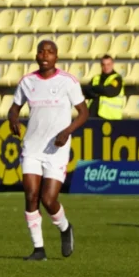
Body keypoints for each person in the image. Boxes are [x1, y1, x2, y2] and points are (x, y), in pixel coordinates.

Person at [8, 40, 89, 261]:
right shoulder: (27, 82)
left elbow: (83, 112)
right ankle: (38, 249)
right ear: (36, 56)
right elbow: (14, 109)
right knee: (31, 195)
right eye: (41, 51)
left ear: (56, 56)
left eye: (50, 52)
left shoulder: (68, 82)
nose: (45, 55)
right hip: (32, 148)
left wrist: (67, 131)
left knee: (48, 199)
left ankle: (64, 228)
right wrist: (13, 120)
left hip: (57, 150)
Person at [82, 54, 124, 120]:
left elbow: (110, 91)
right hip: (92, 114)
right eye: (103, 64)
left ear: (112, 64)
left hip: (110, 117)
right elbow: (85, 90)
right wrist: (99, 91)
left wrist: (95, 89)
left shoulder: (116, 79)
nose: (106, 67)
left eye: (108, 64)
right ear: (101, 65)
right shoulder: (96, 78)